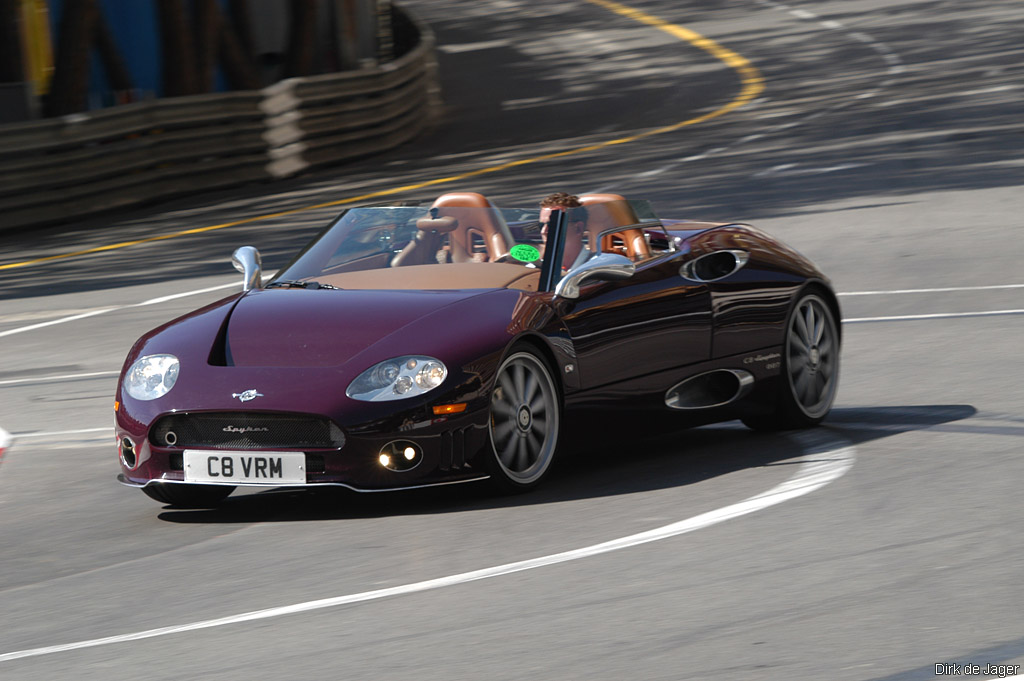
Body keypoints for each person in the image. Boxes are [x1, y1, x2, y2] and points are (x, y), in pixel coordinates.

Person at [538, 192, 590, 272]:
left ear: (578, 228)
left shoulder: (597, 267)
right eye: (541, 225)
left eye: (553, 225)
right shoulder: (533, 269)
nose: (543, 231)